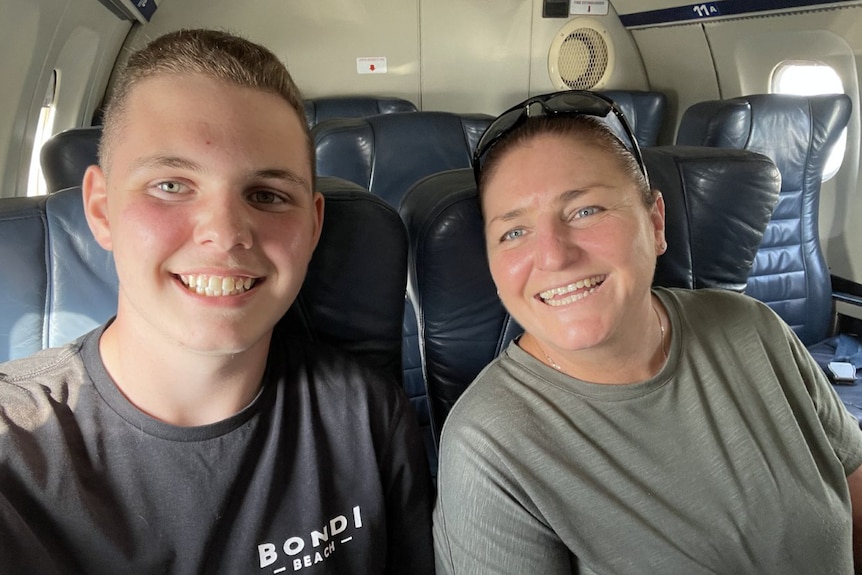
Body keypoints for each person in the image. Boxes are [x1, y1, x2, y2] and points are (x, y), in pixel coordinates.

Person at [0, 29, 433, 574]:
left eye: (268, 195)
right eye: (171, 185)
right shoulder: (15, 445)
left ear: (313, 225)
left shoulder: (367, 417)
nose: (226, 235)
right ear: (102, 209)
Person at [432, 90, 862, 574]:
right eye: (513, 232)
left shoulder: (753, 328)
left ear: (655, 223)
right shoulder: (489, 446)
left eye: (585, 211)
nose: (553, 256)